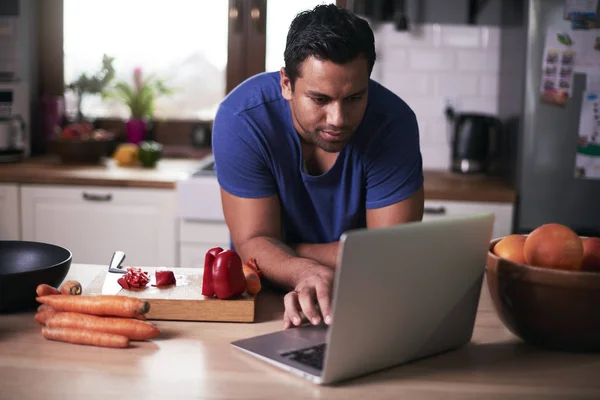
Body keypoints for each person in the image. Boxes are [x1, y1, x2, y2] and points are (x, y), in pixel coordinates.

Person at [211, 4, 424, 330]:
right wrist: (304, 269)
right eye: (320, 99)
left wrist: (287, 251)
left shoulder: (393, 124)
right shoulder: (242, 119)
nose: (338, 120)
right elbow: (251, 241)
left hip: (362, 296)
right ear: (286, 83)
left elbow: (389, 254)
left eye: (354, 98)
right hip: (262, 299)